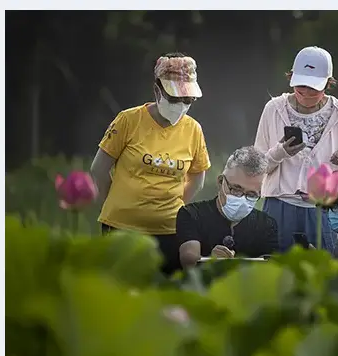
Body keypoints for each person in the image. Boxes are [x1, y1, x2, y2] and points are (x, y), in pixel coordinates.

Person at [90, 52, 210, 275]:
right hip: (122, 229)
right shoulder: (128, 120)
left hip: (170, 231)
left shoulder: (193, 129)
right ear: (157, 91)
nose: (181, 105)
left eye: (188, 100)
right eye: (174, 98)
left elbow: (197, 178)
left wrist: (171, 205)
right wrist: (119, 203)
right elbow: (98, 169)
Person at [254, 46, 338, 253]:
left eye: (313, 88)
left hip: (325, 209)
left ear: (328, 84)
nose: (306, 93)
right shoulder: (274, 109)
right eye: (301, 86)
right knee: (276, 270)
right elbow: (257, 166)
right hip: (280, 206)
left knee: (325, 270)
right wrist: (281, 152)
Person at [177, 146, 279, 267]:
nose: (241, 198)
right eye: (236, 189)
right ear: (221, 182)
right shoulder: (191, 214)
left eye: (251, 195)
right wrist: (210, 261)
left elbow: (269, 269)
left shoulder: (266, 224)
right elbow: (188, 260)